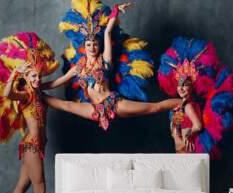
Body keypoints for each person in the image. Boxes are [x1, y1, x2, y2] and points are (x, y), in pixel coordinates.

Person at [40, 1, 181, 131]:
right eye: (89, 44)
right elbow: (56, 82)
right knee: (66, 105)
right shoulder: (78, 68)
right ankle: (33, 94)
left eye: (95, 44)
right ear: (84, 46)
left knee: (154, 108)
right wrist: (38, 87)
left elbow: (107, 32)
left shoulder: (105, 60)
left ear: (99, 45)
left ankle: (184, 102)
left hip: (113, 103)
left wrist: (115, 11)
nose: (92, 47)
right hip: (92, 108)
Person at [0, 32, 59, 193]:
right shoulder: (25, 95)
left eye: (38, 76)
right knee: (40, 189)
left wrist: (72, 74)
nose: (37, 79)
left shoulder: (38, 93)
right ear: (25, 77)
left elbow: (55, 83)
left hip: (38, 145)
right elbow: (8, 93)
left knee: (22, 185)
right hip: (32, 146)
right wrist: (14, 74)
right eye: (33, 76)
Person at [158, 36, 233, 157]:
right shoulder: (180, 106)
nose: (181, 88)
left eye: (185, 84)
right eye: (179, 84)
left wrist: (189, 135)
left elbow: (198, 126)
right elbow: (177, 130)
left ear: (192, 87)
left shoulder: (189, 105)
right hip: (179, 152)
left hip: (188, 152)